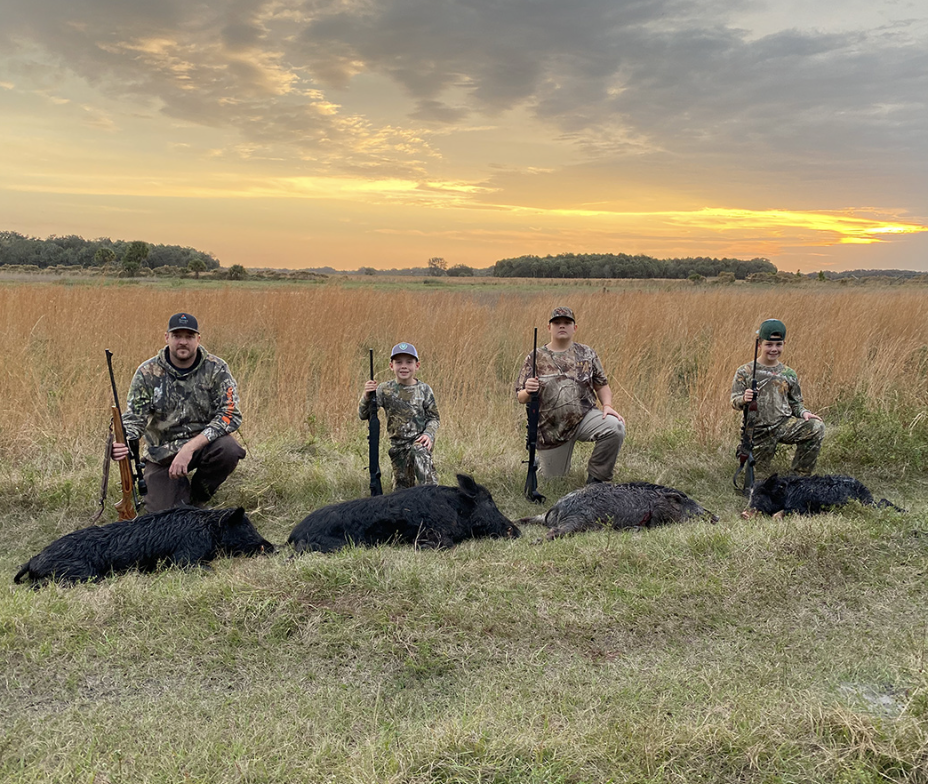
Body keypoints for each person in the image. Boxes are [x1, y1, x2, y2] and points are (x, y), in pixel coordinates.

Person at [111, 312, 245, 512]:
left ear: (198, 339)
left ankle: (199, 494)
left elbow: (230, 414)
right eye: (177, 336)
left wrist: (189, 448)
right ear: (167, 338)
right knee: (163, 514)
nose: (183, 342)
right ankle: (176, 493)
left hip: (203, 446)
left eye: (189, 336)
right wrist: (123, 441)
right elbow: (134, 418)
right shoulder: (147, 372)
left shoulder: (217, 369)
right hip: (162, 454)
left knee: (229, 449)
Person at [515, 307, 626, 484]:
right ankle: (541, 463)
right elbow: (521, 397)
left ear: (574, 328)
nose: (562, 326)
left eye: (567, 322)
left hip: (584, 417)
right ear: (549, 328)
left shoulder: (587, 354)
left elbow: (602, 385)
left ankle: (597, 479)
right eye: (557, 323)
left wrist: (607, 405)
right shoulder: (535, 357)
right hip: (552, 430)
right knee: (554, 481)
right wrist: (528, 390)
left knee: (615, 427)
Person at [730, 318, 825, 476]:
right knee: (758, 480)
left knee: (816, 427)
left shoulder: (789, 373)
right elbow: (734, 402)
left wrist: (804, 413)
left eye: (778, 344)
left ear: (784, 344)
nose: (774, 349)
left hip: (783, 424)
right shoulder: (744, 371)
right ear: (759, 345)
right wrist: (744, 399)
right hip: (758, 431)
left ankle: (799, 477)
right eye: (769, 344)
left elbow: (796, 403)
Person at [359, 342, 440, 490]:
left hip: (419, 443)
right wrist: (366, 395)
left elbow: (434, 418)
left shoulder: (424, 390)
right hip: (398, 448)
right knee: (402, 493)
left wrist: (428, 435)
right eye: (399, 362)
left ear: (417, 365)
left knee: (420, 454)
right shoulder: (384, 389)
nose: (404, 366)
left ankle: (432, 494)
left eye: (409, 362)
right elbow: (363, 414)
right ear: (391, 366)